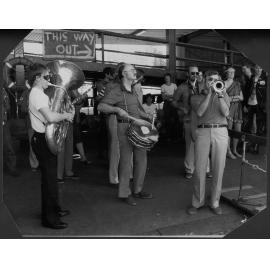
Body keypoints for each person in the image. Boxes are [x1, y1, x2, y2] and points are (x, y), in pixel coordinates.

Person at [98, 63, 153, 206]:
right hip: (124, 127)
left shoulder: (133, 90)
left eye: (134, 70)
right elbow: (101, 106)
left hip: (138, 126)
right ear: (123, 74)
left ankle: (137, 190)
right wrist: (116, 110)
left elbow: (136, 110)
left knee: (142, 159)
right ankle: (124, 193)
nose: (135, 72)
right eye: (131, 70)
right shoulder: (117, 90)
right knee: (126, 161)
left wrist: (146, 115)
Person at [28, 63, 74, 229]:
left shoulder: (39, 94)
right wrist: (66, 115)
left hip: (42, 138)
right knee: (49, 182)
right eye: (47, 77)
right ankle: (49, 219)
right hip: (42, 139)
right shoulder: (38, 95)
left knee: (50, 180)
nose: (50, 79)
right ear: (37, 78)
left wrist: (64, 112)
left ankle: (54, 209)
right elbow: (50, 117)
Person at [188, 70, 230, 216]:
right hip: (204, 132)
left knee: (218, 169)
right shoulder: (195, 96)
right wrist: (210, 94)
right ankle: (197, 202)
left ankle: (215, 202)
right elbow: (200, 112)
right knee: (199, 169)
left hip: (221, 132)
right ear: (205, 80)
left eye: (215, 80)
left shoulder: (223, 94)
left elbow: (225, 112)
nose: (213, 82)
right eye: (210, 79)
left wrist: (219, 94)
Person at [172, 66, 203, 179]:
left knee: (203, 145)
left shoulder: (203, 85)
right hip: (189, 119)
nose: (195, 75)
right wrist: (182, 108)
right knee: (190, 146)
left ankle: (205, 168)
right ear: (188, 74)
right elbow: (173, 101)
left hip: (201, 120)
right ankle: (189, 169)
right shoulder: (182, 87)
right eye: (192, 73)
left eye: (197, 73)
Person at [224, 67, 244, 159]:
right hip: (229, 108)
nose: (232, 73)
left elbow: (242, 98)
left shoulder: (237, 84)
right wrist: (235, 98)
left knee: (237, 131)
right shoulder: (223, 83)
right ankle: (228, 151)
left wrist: (233, 98)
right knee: (229, 131)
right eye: (230, 72)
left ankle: (234, 150)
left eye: (233, 72)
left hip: (238, 109)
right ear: (226, 73)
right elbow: (225, 99)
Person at [20, 86, 39, 171]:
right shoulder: (26, 92)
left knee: (42, 144)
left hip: (42, 122)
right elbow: (22, 108)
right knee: (32, 144)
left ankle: (42, 163)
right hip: (31, 123)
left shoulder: (43, 91)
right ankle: (34, 165)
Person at [2, 87, 19, 177]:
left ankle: (12, 168)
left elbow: (8, 106)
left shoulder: (3, 90)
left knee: (8, 147)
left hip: (4, 124)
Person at [161, 73, 178, 141]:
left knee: (175, 119)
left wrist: (168, 96)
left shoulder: (174, 85)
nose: (167, 79)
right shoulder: (163, 86)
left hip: (174, 103)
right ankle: (168, 136)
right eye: (166, 77)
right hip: (167, 104)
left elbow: (177, 96)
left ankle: (176, 136)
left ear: (170, 78)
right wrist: (171, 96)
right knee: (167, 120)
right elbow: (163, 98)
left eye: (168, 77)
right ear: (165, 79)